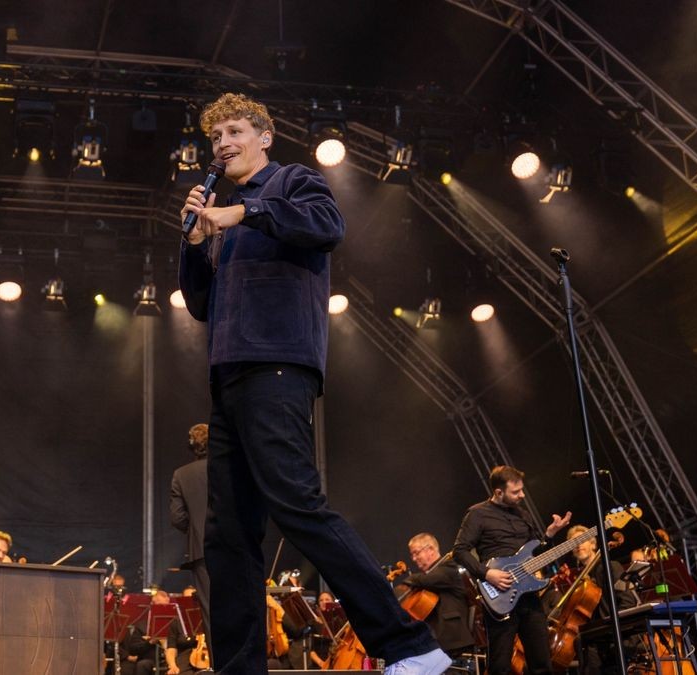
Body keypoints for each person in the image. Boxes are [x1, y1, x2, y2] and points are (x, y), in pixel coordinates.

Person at [178, 91, 447, 675]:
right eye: (215, 138)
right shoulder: (220, 209)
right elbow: (200, 304)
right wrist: (196, 246)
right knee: (228, 537)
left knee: (297, 504)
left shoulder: (293, 182)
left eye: (233, 133)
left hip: (278, 363)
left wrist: (243, 213)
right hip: (228, 373)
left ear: (264, 137)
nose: (222, 145)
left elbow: (328, 226)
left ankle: (411, 648)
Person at [451, 465, 572, 675]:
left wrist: (550, 536)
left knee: (542, 663)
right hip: (499, 596)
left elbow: (536, 555)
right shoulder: (477, 514)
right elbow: (459, 551)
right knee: (500, 666)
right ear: (499, 492)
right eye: (515, 492)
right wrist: (487, 573)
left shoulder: (523, 515)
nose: (522, 495)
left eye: (522, 490)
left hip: (529, 597)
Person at [564, 524, 637, 675]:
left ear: (593, 544)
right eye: (573, 543)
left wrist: (611, 627)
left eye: (581, 541)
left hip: (614, 639)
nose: (578, 546)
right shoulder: (580, 579)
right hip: (592, 640)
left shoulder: (611, 566)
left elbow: (628, 601)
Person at [397, 533, 474, 658]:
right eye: (412, 554)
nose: (413, 558)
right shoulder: (428, 578)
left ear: (431, 550)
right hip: (438, 642)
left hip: (453, 639)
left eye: (416, 553)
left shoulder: (449, 567)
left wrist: (408, 581)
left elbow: (427, 580)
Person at [170, 422, 211, 639]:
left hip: (202, 552)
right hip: (235, 548)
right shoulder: (230, 467)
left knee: (210, 613)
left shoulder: (181, 475)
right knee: (240, 607)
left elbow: (177, 518)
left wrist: (196, 527)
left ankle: (219, 668)